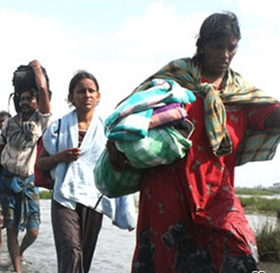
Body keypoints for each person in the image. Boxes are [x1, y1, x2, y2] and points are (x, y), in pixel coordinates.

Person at [107, 12, 280, 273]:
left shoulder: (240, 94)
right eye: (217, 47)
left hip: (217, 195)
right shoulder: (174, 79)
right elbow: (126, 114)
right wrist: (114, 143)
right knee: (171, 263)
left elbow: (270, 115)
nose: (224, 55)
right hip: (168, 192)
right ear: (201, 45)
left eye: (231, 48)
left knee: (241, 253)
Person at [36, 71, 136, 273]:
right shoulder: (58, 127)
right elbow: (40, 164)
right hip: (64, 197)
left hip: (94, 199)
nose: (87, 95)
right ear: (71, 97)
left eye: (91, 91)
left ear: (98, 96)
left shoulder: (107, 130)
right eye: (81, 91)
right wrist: (59, 157)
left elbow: (116, 167)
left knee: (85, 256)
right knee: (71, 250)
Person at [0, 59, 51, 273]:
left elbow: (43, 90)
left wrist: (36, 69)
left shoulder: (40, 121)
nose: (25, 101)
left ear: (36, 101)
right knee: (11, 227)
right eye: (22, 98)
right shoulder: (9, 124)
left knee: (33, 231)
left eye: (29, 98)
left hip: (29, 182)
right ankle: (16, 269)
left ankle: (20, 252)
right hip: (7, 180)